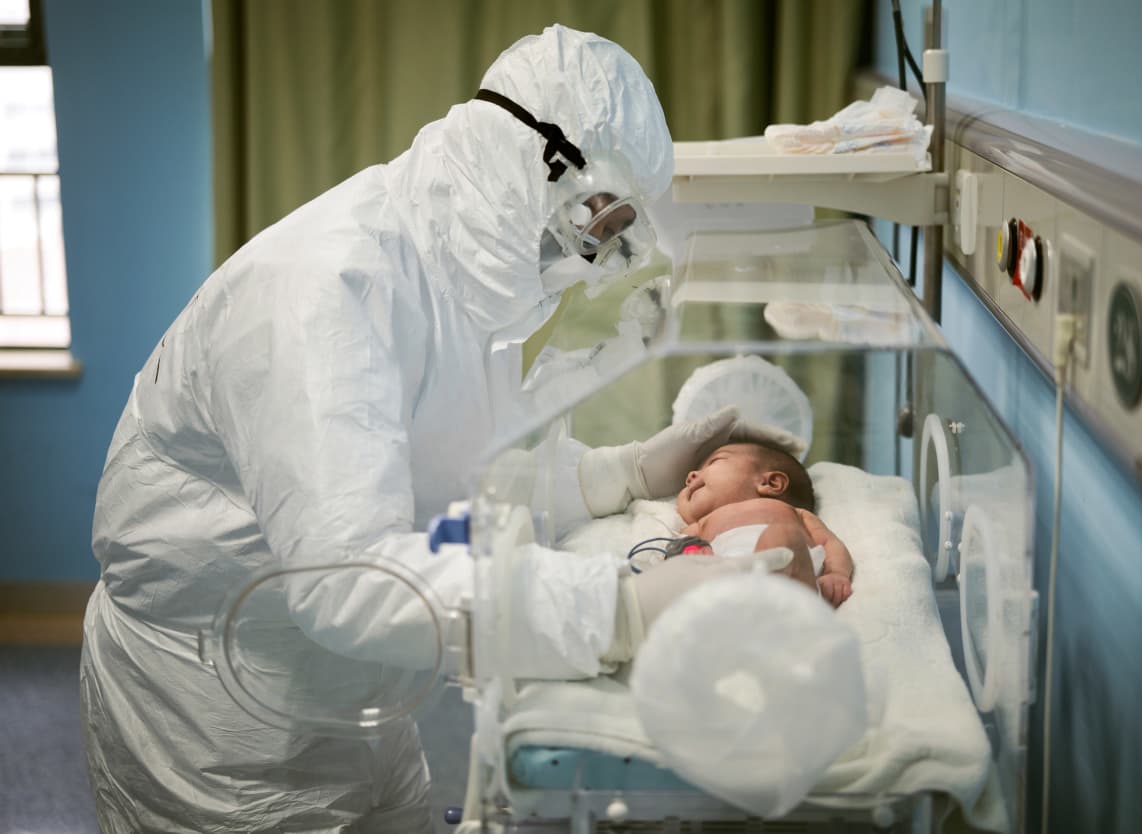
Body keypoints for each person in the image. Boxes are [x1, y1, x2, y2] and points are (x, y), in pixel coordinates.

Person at [80, 25, 785, 834]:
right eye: (601, 219)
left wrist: (615, 475)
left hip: (358, 686)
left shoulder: (463, 282)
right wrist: (614, 610)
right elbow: (346, 581)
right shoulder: (324, 289)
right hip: (222, 716)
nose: (599, 252)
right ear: (537, 161)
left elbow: (444, 476)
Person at [673, 440, 855, 606]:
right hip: (724, 579)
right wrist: (693, 557)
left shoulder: (792, 513)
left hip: (788, 578)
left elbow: (829, 543)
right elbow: (675, 555)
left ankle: (769, 604)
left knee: (783, 536)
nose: (691, 475)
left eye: (714, 462)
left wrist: (836, 573)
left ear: (771, 483)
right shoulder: (701, 524)